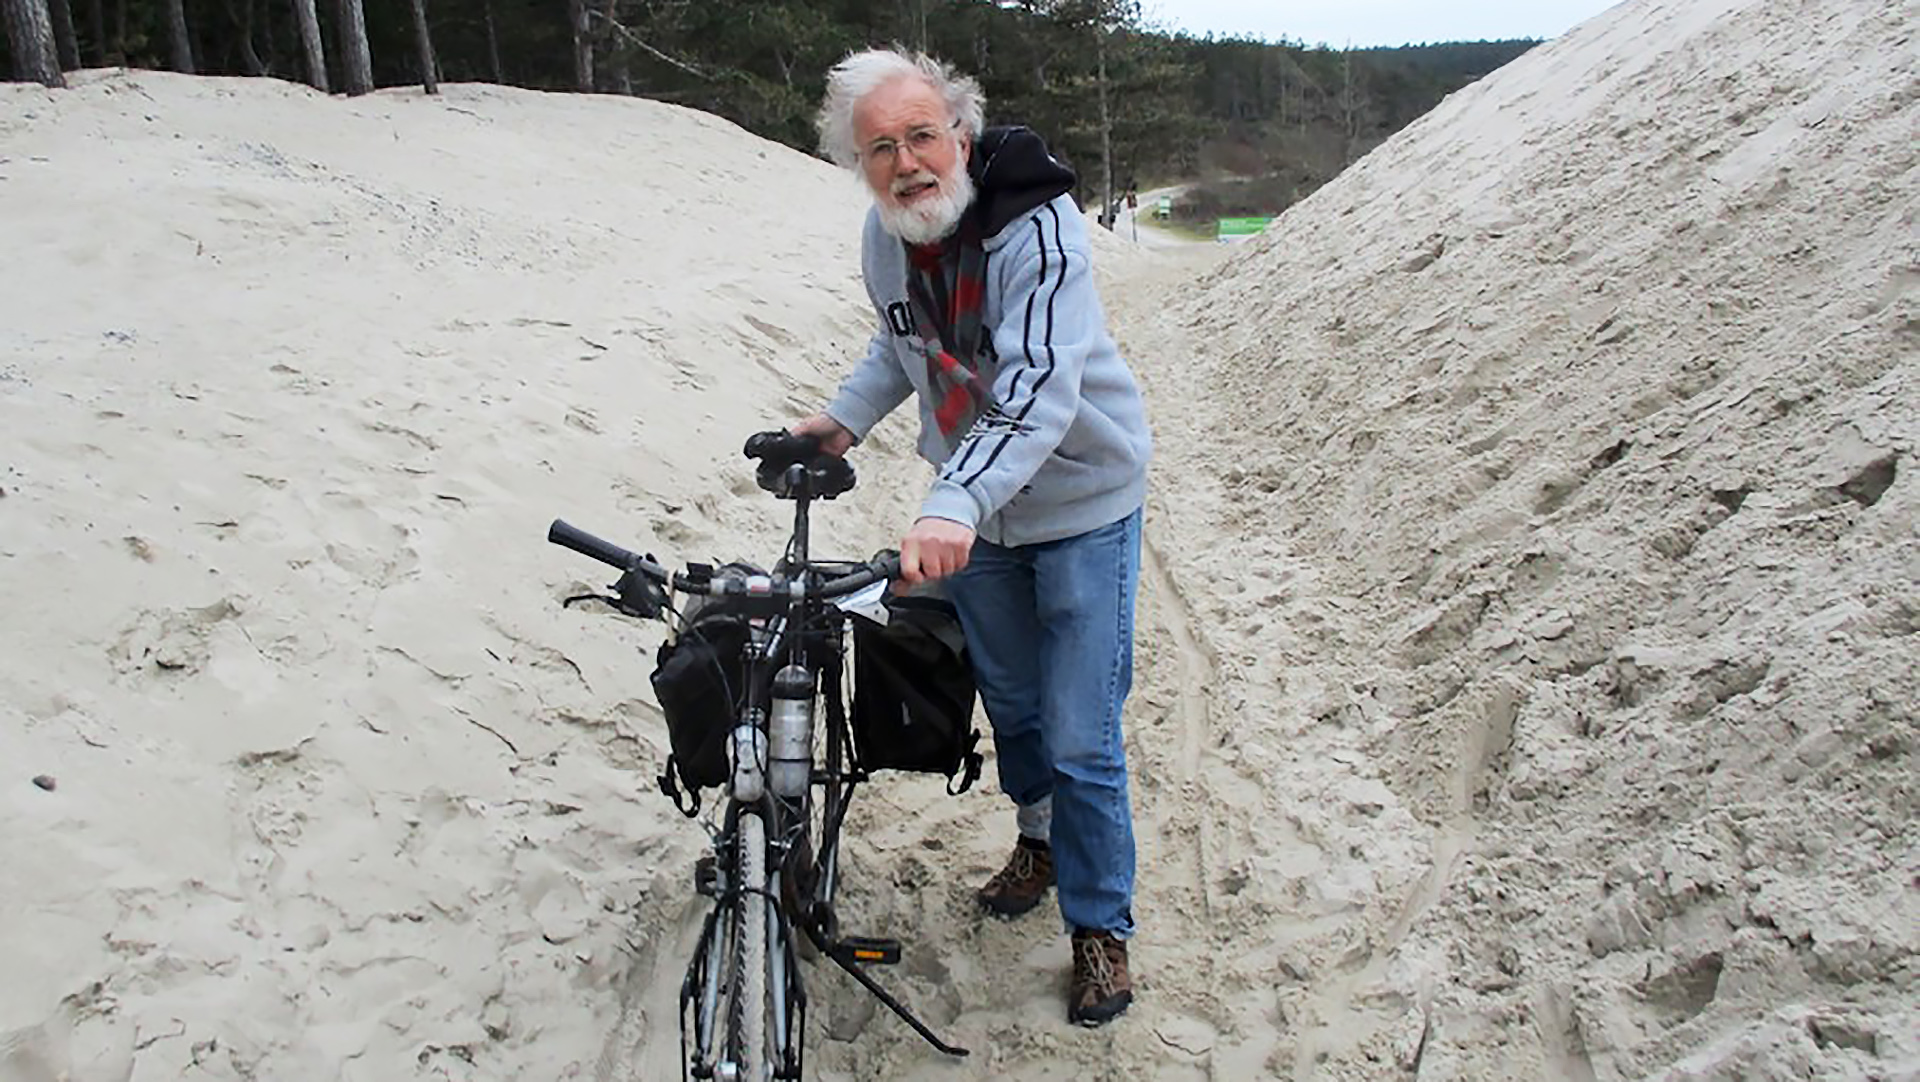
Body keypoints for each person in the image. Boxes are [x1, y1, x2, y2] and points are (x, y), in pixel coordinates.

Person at [791, 47, 1152, 1027]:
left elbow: (1038, 385)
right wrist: (841, 420)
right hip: (981, 510)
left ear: (962, 133)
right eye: (880, 148)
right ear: (859, 166)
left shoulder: (1039, 227)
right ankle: (1039, 837)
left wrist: (950, 501)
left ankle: (1098, 925)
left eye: (921, 135)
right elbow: (899, 342)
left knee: (1082, 733)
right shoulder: (886, 238)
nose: (908, 162)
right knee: (1019, 708)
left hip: (1082, 501)